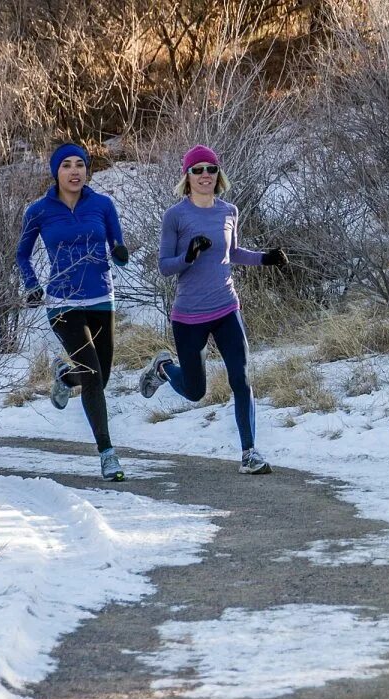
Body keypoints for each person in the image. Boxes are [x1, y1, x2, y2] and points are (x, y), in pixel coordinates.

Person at [139, 144, 289, 475]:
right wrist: (189, 256)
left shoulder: (228, 211)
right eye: (198, 170)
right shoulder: (175, 216)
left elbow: (232, 252)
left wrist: (265, 258)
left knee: (242, 378)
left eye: (211, 169)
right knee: (195, 392)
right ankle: (164, 368)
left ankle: (249, 452)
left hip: (225, 307)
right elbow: (165, 267)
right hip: (189, 315)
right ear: (187, 176)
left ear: (218, 174)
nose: (205, 175)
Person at [16, 142, 131, 482]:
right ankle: (108, 454)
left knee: (102, 376)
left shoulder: (103, 205)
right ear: (56, 172)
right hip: (62, 302)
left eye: (79, 164)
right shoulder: (38, 211)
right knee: (94, 376)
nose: (74, 170)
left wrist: (121, 252)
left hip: (100, 298)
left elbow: (117, 245)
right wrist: (32, 284)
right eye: (66, 165)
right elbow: (22, 254)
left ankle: (65, 377)